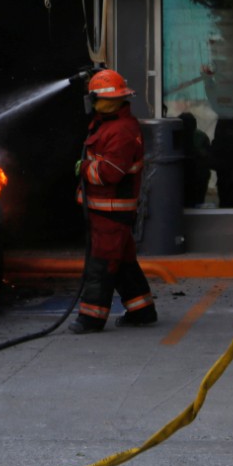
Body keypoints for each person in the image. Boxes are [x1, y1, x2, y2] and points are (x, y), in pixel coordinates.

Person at [68, 69, 158, 334]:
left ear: (103, 100)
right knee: (123, 263)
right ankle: (142, 311)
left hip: (111, 210)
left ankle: (91, 318)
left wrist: (84, 168)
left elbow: (110, 172)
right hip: (105, 210)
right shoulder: (108, 124)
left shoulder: (120, 131)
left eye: (94, 98)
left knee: (102, 264)